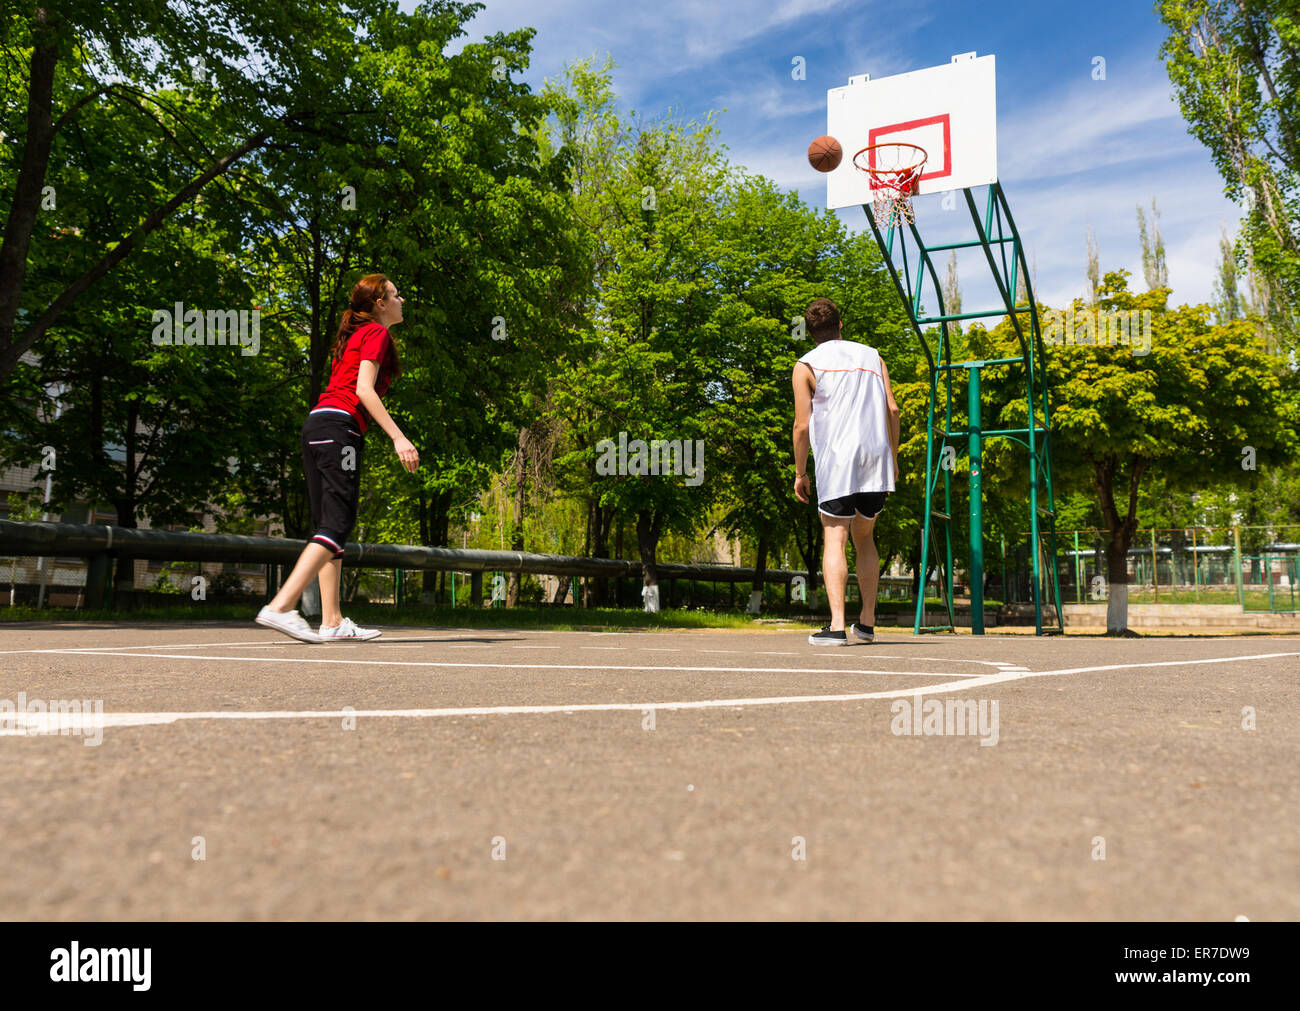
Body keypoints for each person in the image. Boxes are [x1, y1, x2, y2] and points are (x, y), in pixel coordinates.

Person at [256, 274, 419, 642]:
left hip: (317, 425)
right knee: (338, 522)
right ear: (379, 303)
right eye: (395, 294)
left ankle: (331, 620)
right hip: (339, 429)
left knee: (328, 524)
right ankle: (280, 606)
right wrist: (399, 437)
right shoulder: (376, 333)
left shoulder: (352, 337)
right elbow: (363, 390)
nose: (402, 300)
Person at [792, 298, 900, 646]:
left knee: (835, 536)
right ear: (840, 325)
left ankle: (837, 626)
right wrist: (893, 457)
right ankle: (866, 623)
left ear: (810, 334)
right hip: (876, 457)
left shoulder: (806, 364)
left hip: (838, 461)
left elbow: (802, 426)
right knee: (865, 537)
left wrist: (800, 472)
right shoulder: (872, 355)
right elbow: (893, 410)